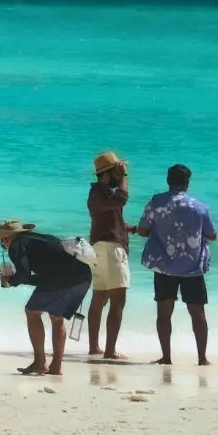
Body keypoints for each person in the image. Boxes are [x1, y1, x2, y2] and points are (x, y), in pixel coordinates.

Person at [135, 162, 217, 366]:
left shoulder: (156, 202)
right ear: (187, 183)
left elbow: (143, 230)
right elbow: (212, 235)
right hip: (193, 268)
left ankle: (166, 357)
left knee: (164, 313)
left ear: (167, 181)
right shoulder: (199, 207)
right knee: (198, 314)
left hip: (164, 267)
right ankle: (202, 358)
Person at [0, 219, 91, 375]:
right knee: (56, 317)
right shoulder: (38, 240)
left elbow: (24, 274)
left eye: (1, 242)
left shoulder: (16, 245)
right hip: (83, 276)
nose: (3, 245)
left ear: (5, 238)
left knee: (32, 311)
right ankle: (56, 366)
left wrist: (10, 280)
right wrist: (15, 280)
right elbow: (42, 278)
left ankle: (39, 362)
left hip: (64, 277)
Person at [84, 152, 134, 361]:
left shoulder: (98, 194)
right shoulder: (103, 194)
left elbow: (109, 219)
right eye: (116, 170)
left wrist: (132, 228)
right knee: (117, 300)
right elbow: (122, 199)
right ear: (108, 174)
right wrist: (124, 178)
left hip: (98, 248)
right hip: (111, 249)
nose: (120, 174)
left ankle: (94, 347)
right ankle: (109, 350)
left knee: (99, 298)